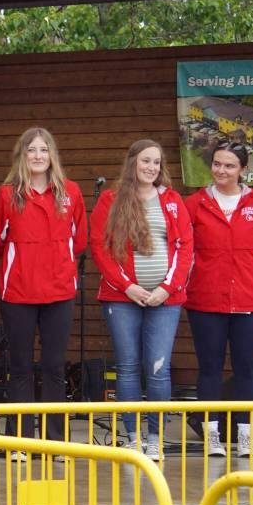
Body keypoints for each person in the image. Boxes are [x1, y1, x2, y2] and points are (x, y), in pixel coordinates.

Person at [90, 140, 192, 461]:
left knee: (158, 369)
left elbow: (185, 248)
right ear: (132, 161)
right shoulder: (111, 200)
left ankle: (155, 438)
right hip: (121, 299)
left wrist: (167, 288)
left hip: (166, 299)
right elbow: (100, 248)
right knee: (129, 367)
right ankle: (133, 438)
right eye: (146, 161)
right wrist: (128, 286)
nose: (151, 168)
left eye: (157, 163)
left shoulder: (173, 200)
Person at [185, 141, 253, 457]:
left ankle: (245, 437)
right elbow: (183, 247)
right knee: (209, 369)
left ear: (243, 170)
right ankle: (212, 436)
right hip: (205, 299)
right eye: (216, 164)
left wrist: (251, 277)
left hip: (251, 301)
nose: (221, 171)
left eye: (229, 165)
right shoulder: (194, 204)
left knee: (246, 370)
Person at [0, 128, 86, 450]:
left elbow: (80, 240)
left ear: (52, 156)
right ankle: (20, 441)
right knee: (19, 366)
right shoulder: (7, 195)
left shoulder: (71, 192)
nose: (37, 156)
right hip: (18, 291)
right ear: (22, 155)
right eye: (31, 150)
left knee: (54, 366)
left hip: (59, 291)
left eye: (43, 150)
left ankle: (56, 442)